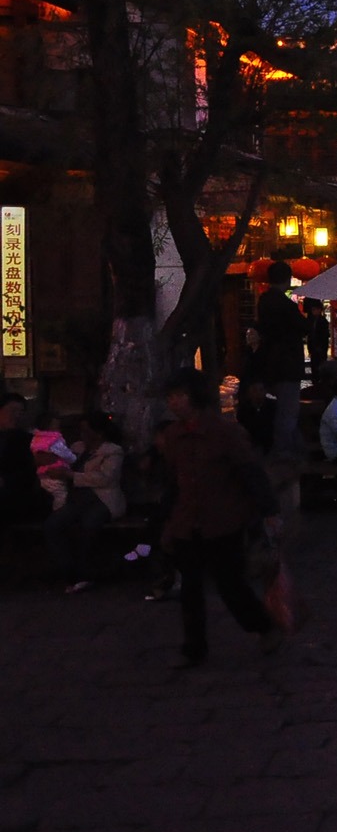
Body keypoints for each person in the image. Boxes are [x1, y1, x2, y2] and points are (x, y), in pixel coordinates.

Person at [157, 369, 282, 666]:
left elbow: (251, 473)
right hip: (188, 521)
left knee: (230, 584)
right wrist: (168, 521)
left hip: (223, 519)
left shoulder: (225, 432)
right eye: (170, 397)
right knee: (190, 587)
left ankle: (263, 626)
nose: (174, 403)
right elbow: (173, 482)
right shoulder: (174, 435)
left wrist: (269, 512)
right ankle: (194, 648)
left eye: (179, 396)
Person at [42, 412, 127, 593]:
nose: (82, 434)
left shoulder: (113, 451)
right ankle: (67, 570)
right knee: (53, 525)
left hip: (101, 498)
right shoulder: (77, 448)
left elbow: (106, 478)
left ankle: (85, 573)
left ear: (98, 433)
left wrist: (72, 476)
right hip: (77, 498)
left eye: (86, 431)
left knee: (88, 524)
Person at [255, 261, 309, 457]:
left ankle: (296, 452)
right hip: (288, 364)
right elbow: (304, 327)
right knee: (287, 413)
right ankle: (284, 455)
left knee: (283, 412)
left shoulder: (264, 302)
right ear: (287, 279)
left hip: (270, 363)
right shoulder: (285, 305)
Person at [0, 391, 48, 524]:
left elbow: (29, 470)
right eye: (12, 411)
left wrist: (6, 480)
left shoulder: (27, 440)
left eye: (20, 412)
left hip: (15, 493)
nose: (17, 415)